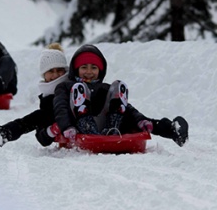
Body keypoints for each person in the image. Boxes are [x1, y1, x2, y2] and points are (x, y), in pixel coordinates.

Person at [53, 44, 188, 146]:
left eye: (94, 67)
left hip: (104, 127)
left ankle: (113, 127)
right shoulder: (65, 86)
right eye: (84, 67)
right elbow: (61, 108)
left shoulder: (105, 88)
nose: (89, 71)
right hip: (77, 127)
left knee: (118, 86)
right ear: (76, 69)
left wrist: (143, 121)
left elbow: (126, 108)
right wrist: (66, 127)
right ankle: (87, 126)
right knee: (79, 89)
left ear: (100, 70)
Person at [0, 43, 68, 147]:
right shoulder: (47, 93)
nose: (55, 75)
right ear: (44, 74)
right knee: (32, 120)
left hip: (69, 122)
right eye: (51, 71)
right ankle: (3, 134)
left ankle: (4, 134)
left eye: (59, 70)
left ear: (65, 70)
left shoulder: (69, 87)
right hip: (54, 126)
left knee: (35, 118)